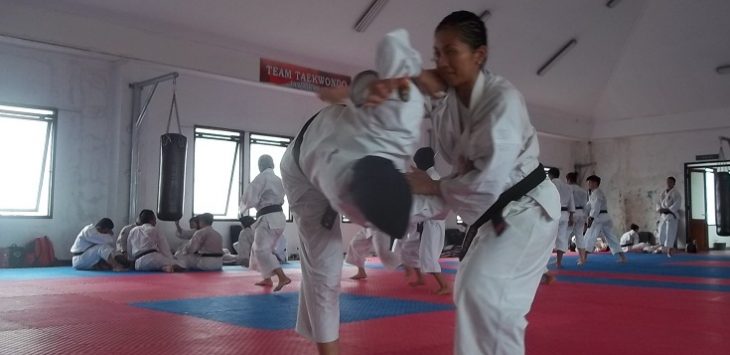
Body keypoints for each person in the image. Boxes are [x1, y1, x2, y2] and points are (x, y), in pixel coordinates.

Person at [368, 12, 560, 354]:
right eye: (437, 53)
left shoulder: (501, 102)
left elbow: (485, 183)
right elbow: (401, 66)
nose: (441, 61)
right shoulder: (448, 100)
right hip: (497, 214)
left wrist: (429, 187)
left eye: (450, 51)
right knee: (483, 301)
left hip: (525, 209)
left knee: (481, 293)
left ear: (479, 55)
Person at [280, 29, 441, 355]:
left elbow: (394, 46)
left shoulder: (403, 121)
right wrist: (364, 89)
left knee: (323, 269)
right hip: (301, 169)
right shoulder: (347, 184)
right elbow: (393, 44)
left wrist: (365, 88)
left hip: (348, 157)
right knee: (325, 268)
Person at [402, 147, 450, 295]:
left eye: (417, 162)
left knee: (428, 256)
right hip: (422, 223)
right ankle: (420, 278)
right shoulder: (425, 175)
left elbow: (437, 205)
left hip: (433, 224)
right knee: (408, 249)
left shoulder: (433, 177)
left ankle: (445, 285)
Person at [240, 154, 291, 291]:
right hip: (279, 218)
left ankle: (282, 277)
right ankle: (267, 278)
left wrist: (242, 208)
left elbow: (250, 199)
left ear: (260, 166)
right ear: (273, 165)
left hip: (268, 218)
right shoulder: (279, 180)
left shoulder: (262, 178)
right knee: (259, 249)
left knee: (261, 250)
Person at [579, 175, 626, 265]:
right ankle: (623, 257)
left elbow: (596, 207)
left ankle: (583, 259)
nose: (588, 184)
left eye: (590, 182)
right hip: (604, 217)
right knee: (611, 237)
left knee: (589, 236)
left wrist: (591, 218)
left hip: (598, 218)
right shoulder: (593, 193)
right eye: (588, 183)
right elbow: (589, 205)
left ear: (595, 183)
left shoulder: (597, 193)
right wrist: (583, 213)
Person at [549, 168, 575, 268]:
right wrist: (571, 216)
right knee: (561, 238)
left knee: (548, 237)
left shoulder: (550, 185)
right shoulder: (567, 187)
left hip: (552, 213)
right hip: (565, 214)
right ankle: (559, 262)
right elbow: (571, 202)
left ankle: (543, 262)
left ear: (550, 175)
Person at [656, 176, 682, 257]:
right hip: (663, 216)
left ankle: (669, 250)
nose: (668, 183)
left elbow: (677, 204)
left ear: (674, 183)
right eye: (668, 181)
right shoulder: (663, 193)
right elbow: (658, 203)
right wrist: (659, 209)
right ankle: (662, 248)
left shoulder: (676, 193)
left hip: (671, 215)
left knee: (670, 233)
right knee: (661, 232)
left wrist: (668, 210)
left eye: (670, 182)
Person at [566, 172, 589, 251]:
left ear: (568, 179)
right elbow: (586, 205)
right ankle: (582, 257)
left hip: (571, 213)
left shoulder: (568, 189)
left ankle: (561, 256)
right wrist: (585, 217)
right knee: (579, 235)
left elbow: (567, 202)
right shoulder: (583, 190)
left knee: (565, 234)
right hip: (581, 213)